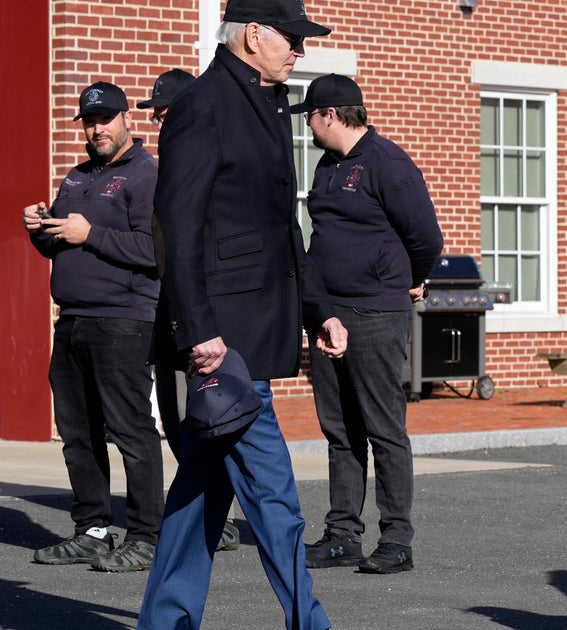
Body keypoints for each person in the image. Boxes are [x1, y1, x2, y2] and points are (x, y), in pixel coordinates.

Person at [137, 1, 345, 628]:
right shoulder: (202, 106)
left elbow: (283, 229)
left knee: (199, 494)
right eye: (292, 39)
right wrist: (198, 332)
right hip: (226, 343)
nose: (299, 51)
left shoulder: (268, 103)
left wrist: (319, 311)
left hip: (256, 326)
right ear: (254, 34)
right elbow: (177, 226)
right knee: (276, 497)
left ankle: (162, 622)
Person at [295, 73, 444, 573]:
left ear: (330, 115)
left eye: (311, 117)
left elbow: (425, 236)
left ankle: (397, 540)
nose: (309, 127)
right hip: (328, 313)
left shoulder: (389, 164)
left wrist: (411, 278)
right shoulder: (327, 166)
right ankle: (342, 534)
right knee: (339, 429)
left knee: (383, 428)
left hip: (377, 312)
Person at [21, 81, 163, 573]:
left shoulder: (146, 176)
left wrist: (91, 233)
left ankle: (147, 536)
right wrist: (40, 228)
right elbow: (62, 246)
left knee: (130, 431)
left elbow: (156, 252)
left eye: (105, 119)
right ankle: (94, 529)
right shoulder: (76, 177)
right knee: (77, 432)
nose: (97, 128)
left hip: (125, 320)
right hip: (74, 319)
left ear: (127, 119)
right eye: (89, 121)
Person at [140, 67, 244, 552]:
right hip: (167, 314)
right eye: (157, 115)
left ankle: (211, 519)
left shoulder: (195, 164)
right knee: (178, 423)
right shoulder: (171, 165)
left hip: (195, 320)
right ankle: (203, 517)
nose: (161, 122)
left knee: (198, 424)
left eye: (164, 112)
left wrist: (193, 322)